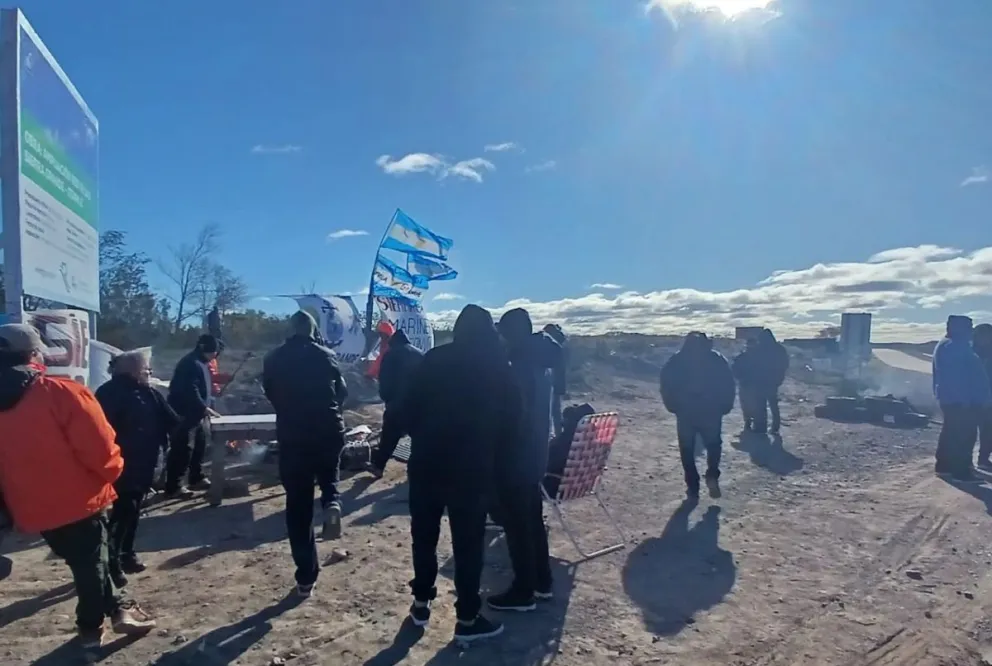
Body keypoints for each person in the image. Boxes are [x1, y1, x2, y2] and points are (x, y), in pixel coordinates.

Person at [0, 324, 155, 648]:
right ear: (32, 354)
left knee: (88, 560)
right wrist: (113, 474)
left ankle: (120, 609)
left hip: (28, 505)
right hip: (80, 499)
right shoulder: (60, 391)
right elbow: (100, 448)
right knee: (90, 568)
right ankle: (89, 631)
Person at [402, 304, 518, 643]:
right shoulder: (497, 365)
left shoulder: (433, 360)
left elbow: (406, 409)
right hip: (472, 467)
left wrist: (424, 437)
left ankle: (421, 602)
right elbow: (514, 420)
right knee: (468, 544)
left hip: (426, 463)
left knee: (423, 537)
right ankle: (467, 617)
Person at [262, 311, 349, 597]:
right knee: (329, 470)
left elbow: (271, 393)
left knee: (297, 505)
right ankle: (332, 500)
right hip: (328, 427)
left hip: (294, 434)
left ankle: (306, 578)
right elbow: (342, 391)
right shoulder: (326, 354)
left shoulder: (274, 357)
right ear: (313, 331)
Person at [488, 308, 562, 613]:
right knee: (532, 521)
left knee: (519, 526)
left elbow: (508, 417)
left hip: (516, 457)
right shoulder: (541, 362)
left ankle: (523, 591)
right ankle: (542, 582)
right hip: (534, 454)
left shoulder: (518, 366)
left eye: (504, 333)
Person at [96, 351, 180, 587]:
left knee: (132, 510)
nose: (149, 374)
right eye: (146, 370)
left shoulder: (148, 391)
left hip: (145, 462)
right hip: (121, 463)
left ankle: (127, 554)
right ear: (133, 370)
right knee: (123, 512)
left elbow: (171, 419)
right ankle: (111, 562)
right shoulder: (108, 394)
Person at [660, 332, 737, 499]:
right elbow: (729, 384)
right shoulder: (717, 359)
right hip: (711, 410)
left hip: (685, 410)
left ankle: (692, 483)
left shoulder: (677, 360)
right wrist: (726, 405)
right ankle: (712, 475)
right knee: (714, 445)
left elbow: (666, 383)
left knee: (687, 448)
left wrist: (672, 405)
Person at [933, 315, 992, 480]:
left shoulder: (954, 345)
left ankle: (945, 467)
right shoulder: (953, 346)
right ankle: (960, 471)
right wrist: (965, 400)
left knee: (952, 433)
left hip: (957, 399)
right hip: (960, 400)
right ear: (958, 327)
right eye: (968, 327)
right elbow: (956, 377)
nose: (971, 330)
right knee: (962, 436)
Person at [165, 335, 220, 498]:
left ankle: (196, 477)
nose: (214, 356)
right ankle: (174, 486)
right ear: (205, 349)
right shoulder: (190, 363)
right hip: (184, 413)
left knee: (200, 445)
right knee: (183, 449)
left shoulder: (201, 362)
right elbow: (190, 389)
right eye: (213, 352)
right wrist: (204, 407)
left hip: (197, 414)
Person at [367, 329, 423, 478]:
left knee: (388, 438)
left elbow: (385, 381)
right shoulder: (420, 354)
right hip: (418, 405)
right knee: (419, 440)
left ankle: (378, 467)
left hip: (397, 405)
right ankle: (419, 471)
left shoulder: (391, 355)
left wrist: (387, 398)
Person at [732, 329, 789, 434]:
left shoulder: (759, 349)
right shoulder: (779, 349)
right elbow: (785, 364)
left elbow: (752, 364)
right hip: (773, 381)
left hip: (760, 382)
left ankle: (760, 428)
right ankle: (775, 427)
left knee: (760, 406)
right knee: (773, 404)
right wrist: (779, 377)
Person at [542, 323, 569, 436]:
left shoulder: (549, 344)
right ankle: (559, 434)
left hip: (550, 380)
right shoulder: (560, 344)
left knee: (548, 411)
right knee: (556, 411)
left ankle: (551, 435)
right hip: (558, 381)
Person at [974, 323, 992, 469]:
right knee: (969, 431)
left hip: (987, 397)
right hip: (973, 398)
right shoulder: (970, 353)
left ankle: (983, 459)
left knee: (988, 431)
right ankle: (965, 461)